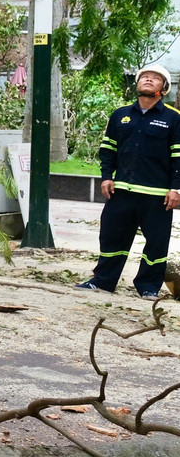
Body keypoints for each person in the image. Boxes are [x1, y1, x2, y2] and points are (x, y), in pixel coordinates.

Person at [78, 63, 180, 299]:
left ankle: (148, 287)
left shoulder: (173, 118)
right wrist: (106, 177)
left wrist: (176, 188)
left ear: (164, 87)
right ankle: (103, 281)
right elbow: (108, 149)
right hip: (121, 191)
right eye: (144, 76)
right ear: (137, 83)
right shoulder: (120, 115)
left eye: (155, 78)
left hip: (157, 195)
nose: (148, 79)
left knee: (156, 243)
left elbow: (178, 156)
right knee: (112, 237)